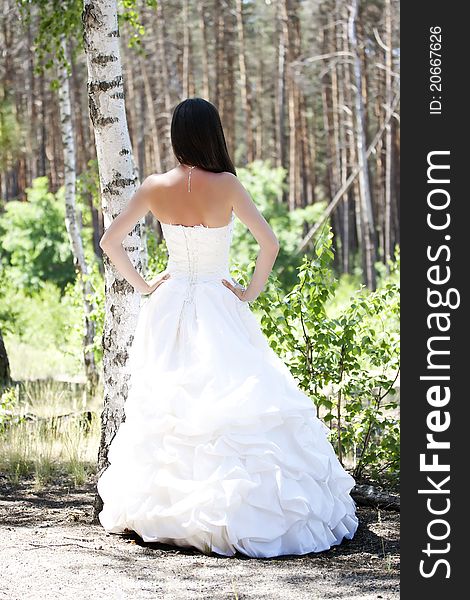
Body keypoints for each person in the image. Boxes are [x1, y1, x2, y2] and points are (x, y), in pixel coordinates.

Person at [97, 97, 358, 558]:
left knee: (173, 401)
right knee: (232, 398)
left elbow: (109, 241)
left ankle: (166, 511)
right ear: (212, 134)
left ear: (177, 136)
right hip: (218, 301)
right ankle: (231, 509)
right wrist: (249, 292)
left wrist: (143, 285)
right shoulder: (228, 185)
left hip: (170, 301)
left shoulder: (155, 186)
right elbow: (270, 244)